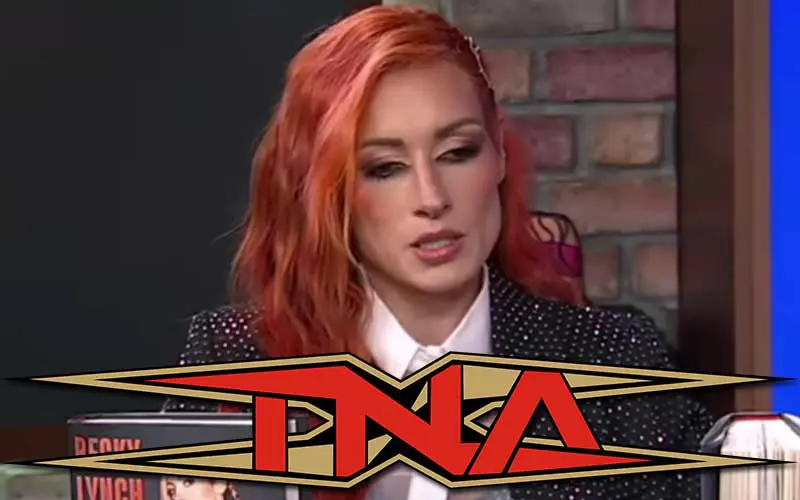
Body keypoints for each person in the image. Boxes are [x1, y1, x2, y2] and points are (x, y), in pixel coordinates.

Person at [163, 5, 712, 500]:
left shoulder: (614, 360)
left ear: (498, 155)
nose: (431, 199)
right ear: (330, 193)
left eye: (457, 152)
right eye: (385, 168)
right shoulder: (236, 360)